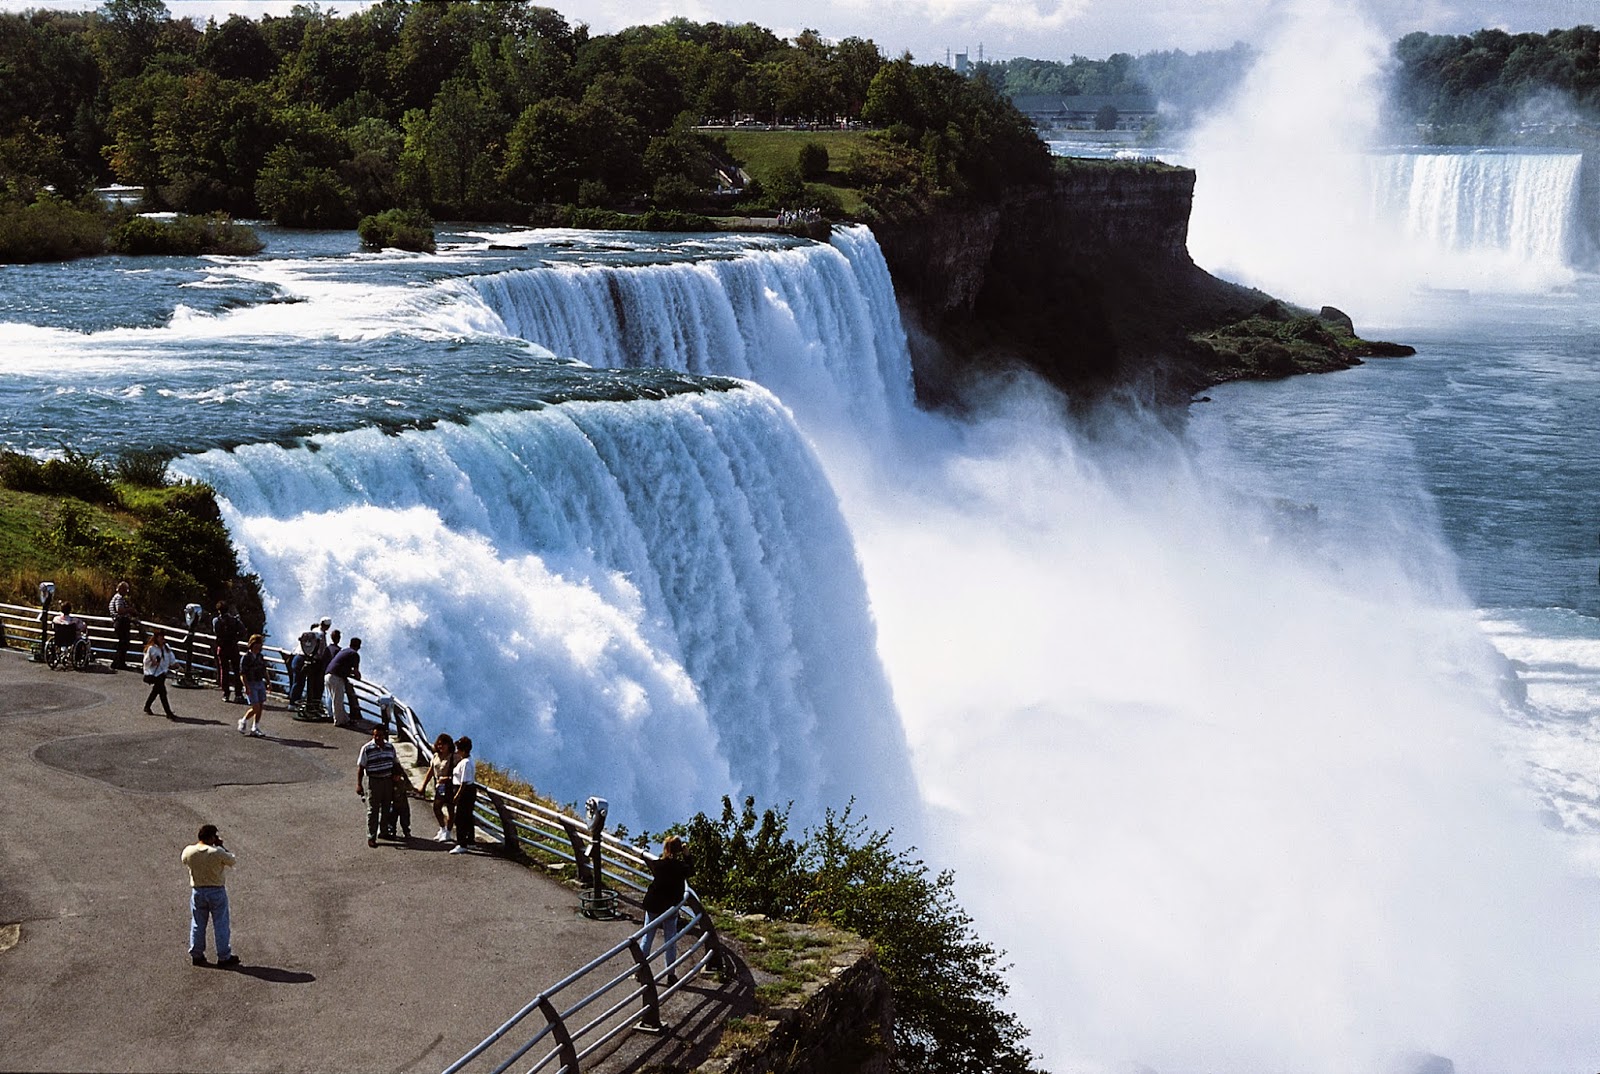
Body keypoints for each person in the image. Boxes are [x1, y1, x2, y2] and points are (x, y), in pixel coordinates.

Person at [181, 823, 239, 967]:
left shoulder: (189, 851)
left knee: (198, 924)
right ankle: (224, 956)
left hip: (198, 891)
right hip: (216, 891)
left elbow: (184, 861)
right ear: (212, 837)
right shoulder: (216, 852)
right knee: (221, 924)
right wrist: (221, 846)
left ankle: (197, 954)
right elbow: (232, 860)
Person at [640, 835, 694, 984]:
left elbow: (658, 864)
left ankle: (640, 971)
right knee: (670, 940)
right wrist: (687, 855)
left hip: (653, 904)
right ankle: (670, 975)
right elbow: (691, 871)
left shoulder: (658, 865)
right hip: (669, 907)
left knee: (647, 936)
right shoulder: (681, 868)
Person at [356, 725, 398, 848]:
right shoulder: (367, 749)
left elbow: (395, 763)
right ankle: (371, 836)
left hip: (387, 780)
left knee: (386, 808)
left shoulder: (390, 748)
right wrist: (359, 784)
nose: (378, 737)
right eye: (375, 735)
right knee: (373, 810)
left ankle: (383, 831)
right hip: (374, 781)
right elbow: (361, 767)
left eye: (380, 735)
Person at [418, 734, 455, 841]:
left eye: (443, 744)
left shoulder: (453, 757)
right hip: (439, 786)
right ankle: (442, 828)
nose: (441, 747)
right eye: (439, 744)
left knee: (450, 809)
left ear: (448, 745)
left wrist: (447, 778)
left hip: (450, 786)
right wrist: (423, 785)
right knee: (436, 807)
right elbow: (431, 771)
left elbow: (458, 773)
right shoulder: (436, 756)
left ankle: (448, 832)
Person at [325, 636, 362, 727]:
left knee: (337, 700)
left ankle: (345, 719)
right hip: (336, 678)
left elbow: (342, 665)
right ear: (359, 646)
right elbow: (356, 672)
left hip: (328, 675)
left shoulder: (344, 651)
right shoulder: (354, 654)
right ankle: (338, 721)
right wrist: (357, 676)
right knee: (337, 700)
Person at [211, 601, 245, 703]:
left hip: (222, 648)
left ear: (218, 610)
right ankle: (238, 694)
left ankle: (226, 693)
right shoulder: (234, 620)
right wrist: (235, 639)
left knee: (224, 671)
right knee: (237, 671)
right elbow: (243, 631)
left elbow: (215, 631)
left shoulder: (216, 621)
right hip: (233, 647)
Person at [448, 736, 477, 854]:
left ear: (463, 750)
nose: (457, 751)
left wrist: (457, 796)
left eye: (458, 749)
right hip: (469, 791)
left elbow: (464, 782)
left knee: (460, 818)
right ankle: (470, 840)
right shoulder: (469, 760)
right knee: (468, 817)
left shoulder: (465, 763)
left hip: (464, 792)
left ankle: (461, 843)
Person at [237, 634, 269, 737]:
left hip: (260, 682)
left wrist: (268, 682)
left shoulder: (260, 657)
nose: (258, 647)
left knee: (260, 705)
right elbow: (242, 673)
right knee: (255, 707)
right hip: (251, 683)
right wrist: (246, 686)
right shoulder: (246, 658)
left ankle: (255, 727)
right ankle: (243, 720)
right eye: (256, 645)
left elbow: (264, 670)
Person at [142, 628, 177, 718]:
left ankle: (147, 706)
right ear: (156, 638)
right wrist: (152, 662)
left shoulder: (166, 647)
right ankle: (168, 712)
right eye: (161, 638)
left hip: (162, 673)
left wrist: (175, 665)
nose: (163, 640)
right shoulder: (152, 648)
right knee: (162, 692)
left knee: (156, 691)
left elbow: (171, 658)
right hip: (154, 673)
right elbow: (146, 661)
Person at [108, 581, 136, 670]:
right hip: (121, 622)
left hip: (119, 622)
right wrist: (130, 610)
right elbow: (119, 610)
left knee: (122, 643)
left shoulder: (115, 598)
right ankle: (119, 663)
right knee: (124, 643)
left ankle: (117, 662)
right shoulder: (119, 598)